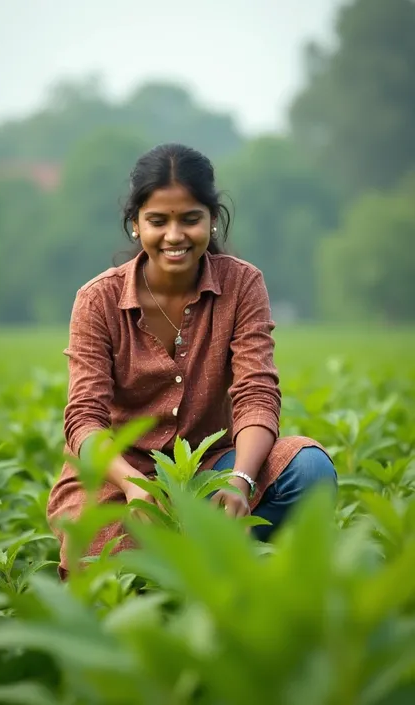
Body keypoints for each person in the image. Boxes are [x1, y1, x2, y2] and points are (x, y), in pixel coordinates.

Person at [47, 143, 337, 578]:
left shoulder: (242, 285)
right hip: (119, 476)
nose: (174, 235)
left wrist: (241, 480)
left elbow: (256, 394)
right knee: (110, 565)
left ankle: (219, 569)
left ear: (212, 219)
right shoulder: (98, 300)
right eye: (158, 221)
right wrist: (133, 485)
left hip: (208, 468)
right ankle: (203, 568)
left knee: (309, 471)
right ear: (135, 225)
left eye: (190, 219)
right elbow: (84, 420)